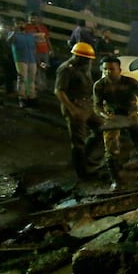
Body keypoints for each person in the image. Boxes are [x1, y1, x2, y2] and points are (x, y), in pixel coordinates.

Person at [93, 56, 138, 190]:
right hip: (113, 116)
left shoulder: (130, 82)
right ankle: (116, 181)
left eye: (111, 69)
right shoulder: (99, 85)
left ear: (119, 70)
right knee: (110, 149)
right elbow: (97, 106)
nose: (108, 71)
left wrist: (137, 111)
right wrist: (105, 115)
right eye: (105, 69)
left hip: (130, 114)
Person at [54, 42, 103, 180]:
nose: (88, 62)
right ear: (77, 57)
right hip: (75, 105)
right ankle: (82, 172)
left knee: (101, 129)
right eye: (86, 59)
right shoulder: (66, 69)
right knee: (78, 141)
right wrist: (72, 109)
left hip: (87, 104)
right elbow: (59, 91)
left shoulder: (84, 67)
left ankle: (85, 157)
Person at [7, 20, 37, 108]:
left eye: (22, 23)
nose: (21, 25)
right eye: (18, 23)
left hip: (31, 59)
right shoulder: (14, 34)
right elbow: (9, 41)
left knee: (31, 78)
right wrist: (14, 32)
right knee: (22, 78)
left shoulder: (29, 35)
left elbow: (33, 47)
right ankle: (22, 98)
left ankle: (31, 97)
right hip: (20, 59)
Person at [23, 12, 52, 93]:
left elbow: (47, 39)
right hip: (34, 51)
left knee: (44, 68)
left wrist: (51, 49)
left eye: (34, 18)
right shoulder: (27, 27)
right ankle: (35, 85)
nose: (33, 19)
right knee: (35, 68)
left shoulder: (43, 27)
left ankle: (43, 85)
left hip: (44, 51)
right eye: (31, 18)